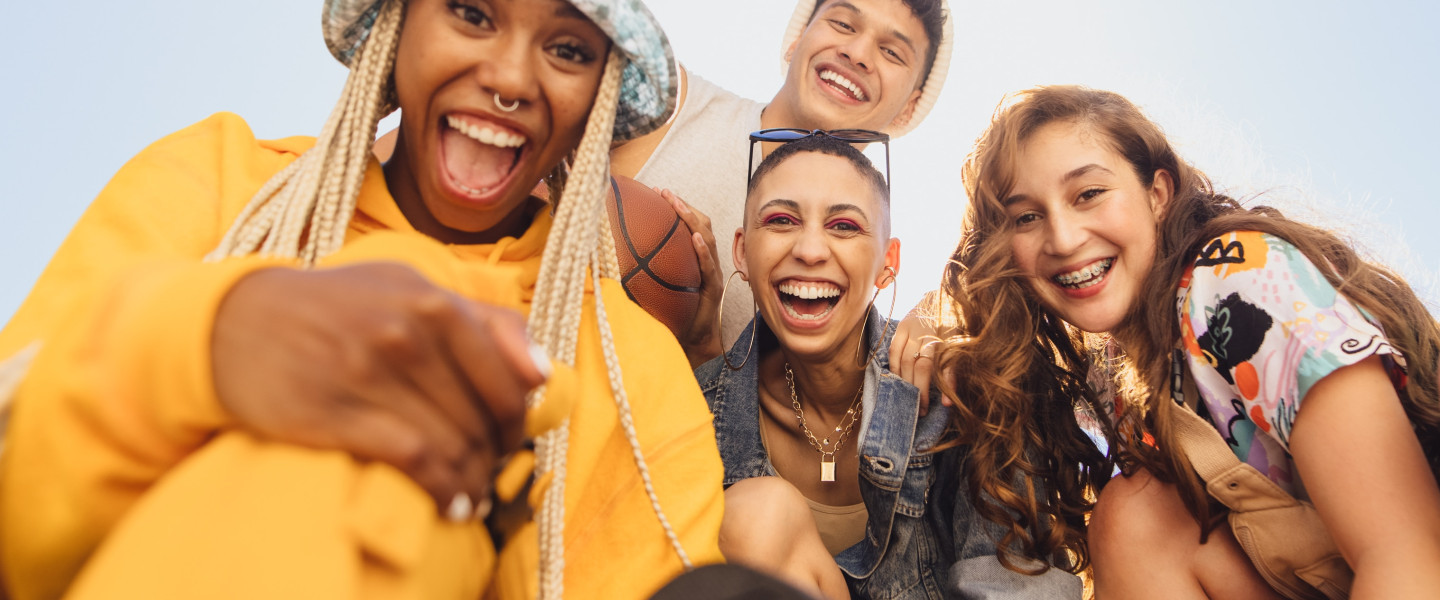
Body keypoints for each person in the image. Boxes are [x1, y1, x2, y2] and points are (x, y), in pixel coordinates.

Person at [0, 1, 724, 598]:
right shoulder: (219, 186)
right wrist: (209, 344)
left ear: (599, 95)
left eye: (568, 50)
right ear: (396, 23)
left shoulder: (636, 373)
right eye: (471, 13)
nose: (511, 77)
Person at [940, 85, 1440, 598]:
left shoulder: (1236, 280)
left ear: (1158, 194)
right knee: (1134, 513)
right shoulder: (1123, 372)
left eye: (1089, 194)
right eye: (1026, 217)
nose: (1064, 239)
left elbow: (1407, 553)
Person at [695, 133, 1081, 599]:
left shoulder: (962, 386)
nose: (811, 250)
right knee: (756, 513)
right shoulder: (694, 411)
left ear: (887, 263)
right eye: (781, 220)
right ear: (741, 251)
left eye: (844, 227)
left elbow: (1015, 586)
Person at [610, 0, 953, 366]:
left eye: (891, 52)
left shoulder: (853, 269)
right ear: (796, 40)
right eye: (842, 24)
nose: (857, 53)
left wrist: (939, 316)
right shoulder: (667, 99)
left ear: (909, 107)